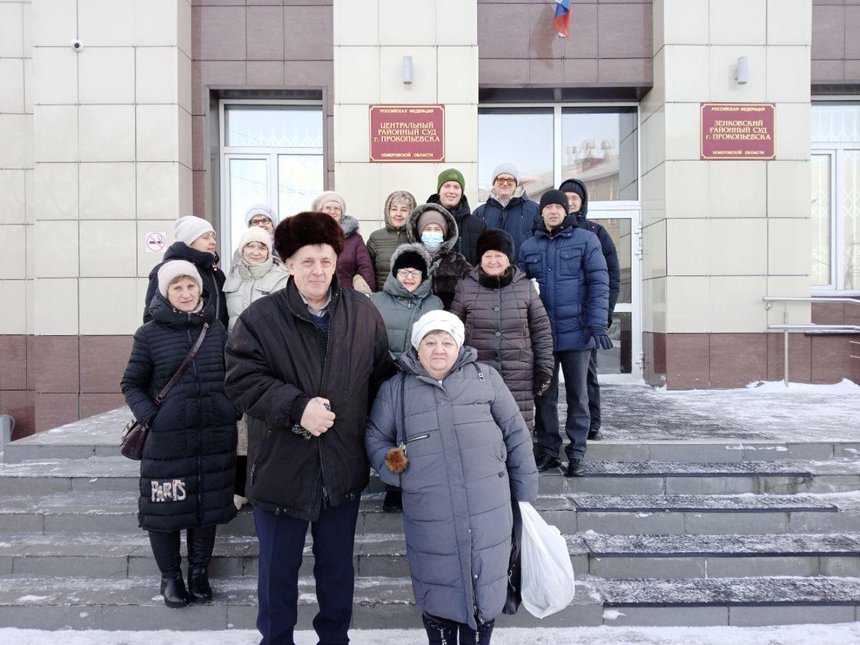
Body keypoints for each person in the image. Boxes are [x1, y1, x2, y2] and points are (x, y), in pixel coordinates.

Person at [224, 212, 395, 645]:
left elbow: (381, 379)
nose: (318, 271)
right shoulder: (259, 319)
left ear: (337, 259)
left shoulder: (362, 312)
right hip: (281, 468)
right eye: (307, 262)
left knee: (336, 570)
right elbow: (241, 381)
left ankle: (335, 639)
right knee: (277, 573)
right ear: (288, 264)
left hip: (341, 467)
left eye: (325, 260)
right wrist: (297, 407)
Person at [365, 310, 538, 645]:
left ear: (459, 346)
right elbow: (375, 438)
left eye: (446, 341)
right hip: (431, 515)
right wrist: (396, 466)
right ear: (417, 347)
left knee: (485, 594)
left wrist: (525, 495)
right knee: (439, 594)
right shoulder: (396, 390)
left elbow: (516, 433)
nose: (439, 349)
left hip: (489, 510)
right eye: (430, 342)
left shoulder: (485, 378)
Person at [121, 260, 238, 609]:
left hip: (214, 437)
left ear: (201, 288)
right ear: (165, 292)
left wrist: (233, 408)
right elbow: (131, 383)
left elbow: (235, 375)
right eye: (177, 287)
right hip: (168, 441)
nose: (186, 294)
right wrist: (153, 418)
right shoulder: (149, 334)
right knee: (165, 511)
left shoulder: (216, 329)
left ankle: (199, 573)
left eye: (191, 286)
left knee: (208, 506)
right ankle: (170, 576)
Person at [518, 190, 610, 478]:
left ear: (566, 211)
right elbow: (520, 290)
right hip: (543, 335)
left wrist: (597, 324)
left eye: (559, 207)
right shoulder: (529, 246)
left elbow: (599, 283)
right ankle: (548, 451)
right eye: (549, 207)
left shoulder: (586, 240)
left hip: (578, 332)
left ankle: (577, 452)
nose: (554, 212)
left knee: (578, 395)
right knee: (544, 395)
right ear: (541, 212)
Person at [450, 229, 554, 432]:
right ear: (480, 259)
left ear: (509, 259)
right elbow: (452, 331)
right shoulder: (465, 287)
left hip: (519, 375)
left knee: (518, 431)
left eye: (499, 255)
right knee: (481, 432)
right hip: (478, 372)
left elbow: (541, 330)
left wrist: (544, 369)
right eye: (488, 255)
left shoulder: (525, 287)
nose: (493, 260)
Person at [369, 243, 443, 514]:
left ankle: (416, 483)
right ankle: (392, 486)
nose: (409, 276)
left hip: (419, 377)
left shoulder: (434, 302)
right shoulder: (376, 301)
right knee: (388, 431)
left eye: (415, 272)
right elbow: (369, 338)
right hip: (384, 377)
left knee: (417, 432)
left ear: (424, 276)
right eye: (404, 271)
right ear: (394, 274)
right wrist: (388, 360)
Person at [223, 226, 290, 510]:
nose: (255, 251)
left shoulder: (282, 278)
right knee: (240, 428)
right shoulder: (231, 278)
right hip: (236, 357)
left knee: (265, 424)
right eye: (250, 246)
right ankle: (240, 489)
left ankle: (266, 485)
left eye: (261, 247)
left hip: (267, 358)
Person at [559, 178, 621, 441]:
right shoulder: (550, 231)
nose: (571, 202)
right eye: (567, 198)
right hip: (561, 319)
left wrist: (603, 314)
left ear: (582, 202)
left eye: (575, 198)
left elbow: (610, 277)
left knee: (587, 375)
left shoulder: (596, 232)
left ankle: (592, 423)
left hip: (587, 320)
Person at [144, 215, 228, 328]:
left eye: (213, 237)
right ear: (190, 241)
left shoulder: (216, 273)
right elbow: (152, 312)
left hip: (215, 341)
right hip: (177, 343)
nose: (213, 242)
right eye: (205, 237)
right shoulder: (166, 270)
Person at [407, 203, 471, 310]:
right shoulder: (408, 259)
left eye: (437, 229)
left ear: (444, 234)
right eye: (427, 229)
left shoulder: (457, 261)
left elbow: (471, 291)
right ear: (420, 233)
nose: (432, 233)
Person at [473, 163, 542, 260]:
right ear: (494, 183)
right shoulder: (480, 212)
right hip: (491, 270)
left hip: (523, 271)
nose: (505, 183)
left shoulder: (534, 210)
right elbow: (474, 246)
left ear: (516, 183)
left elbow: (541, 243)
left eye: (510, 180)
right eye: (500, 180)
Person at [312, 190, 376, 293]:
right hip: (315, 294)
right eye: (328, 208)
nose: (333, 211)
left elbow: (365, 267)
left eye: (337, 208)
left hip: (346, 296)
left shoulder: (355, 239)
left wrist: (367, 294)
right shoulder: (308, 236)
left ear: (342, 213)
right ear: (320, 211)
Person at [427, 168, 486, 265]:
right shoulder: (423, 221)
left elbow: (482, 263)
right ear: (439, 191)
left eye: (456, 187)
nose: (451, 191)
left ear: (461, 192)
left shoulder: (478, 226)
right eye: (447, 186)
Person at [367, 190, 417, 289]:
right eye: (394, 209)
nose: (398, 214)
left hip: (411, 300)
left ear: (411, 213)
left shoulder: (417, 237)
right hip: (381, 299)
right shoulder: (375, 237)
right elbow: (367, 272)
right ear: (388, 211)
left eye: (404, 210)